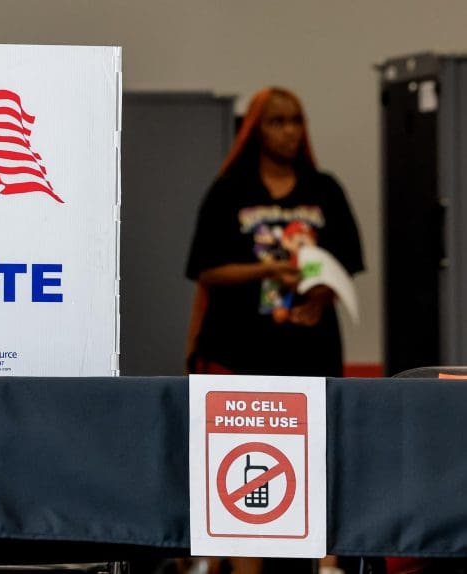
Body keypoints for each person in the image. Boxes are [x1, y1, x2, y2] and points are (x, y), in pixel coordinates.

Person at [184, 87, 365, 574]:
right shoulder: (229, 192)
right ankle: (246, 565)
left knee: (318, 453)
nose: (289, 132)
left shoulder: (325, 189)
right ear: (254, 130)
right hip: (243, 350)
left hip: (311, 349)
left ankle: (325, 562)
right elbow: (206, 269)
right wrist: (267, 272)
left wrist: (321, 296)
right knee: (248, 457)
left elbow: (346, 266)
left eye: (296, 121)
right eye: (277, 122)